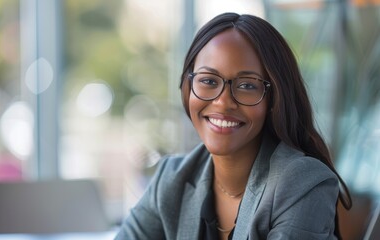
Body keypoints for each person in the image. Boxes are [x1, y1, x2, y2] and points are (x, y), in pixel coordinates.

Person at [115, 12, 352, 240]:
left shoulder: (302, 183)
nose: (223, 102)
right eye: (208, 81)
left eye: (247, 85)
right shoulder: (171, 179)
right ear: (188, 87)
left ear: (274, 99)